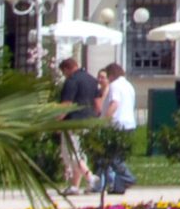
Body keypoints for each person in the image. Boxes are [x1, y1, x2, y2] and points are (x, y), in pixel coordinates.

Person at [54, 56, 98, 193]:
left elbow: (66, 104)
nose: (64, 75)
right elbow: (97, 103)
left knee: (70, 153)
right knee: (80, 152)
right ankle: (75, 185)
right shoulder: (91, 79)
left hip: (73, 121)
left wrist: (57, 122)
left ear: (67, 69)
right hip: (88, 120)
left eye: (64, 72)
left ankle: (91, 177)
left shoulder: (71, 81)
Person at [97, 62, 138, 195]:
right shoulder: (129, 85)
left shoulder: (115, 86)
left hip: (117, 125)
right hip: (129, 123)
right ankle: (119, 187)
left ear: (112, 74)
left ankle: (128, 178)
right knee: (120, 156)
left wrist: (105, 120)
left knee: (112, 156)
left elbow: (114, 103)